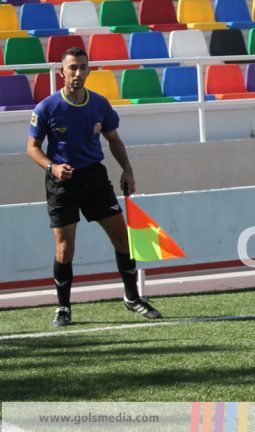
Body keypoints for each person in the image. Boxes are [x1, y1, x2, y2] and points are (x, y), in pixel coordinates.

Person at [26, 47, 161, 327]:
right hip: (61, 183)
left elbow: (113, 139)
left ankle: (132, 297)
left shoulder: (99, 104)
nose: (78, 73)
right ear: (61, 72)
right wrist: (53, 167)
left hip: (95, 180)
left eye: (83, 67)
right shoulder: (47, 108)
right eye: (73, 67)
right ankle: (63, 308)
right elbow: (32, 148)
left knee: (123, 239)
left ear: (88, 70)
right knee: (65, 248)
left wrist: (127, 169)